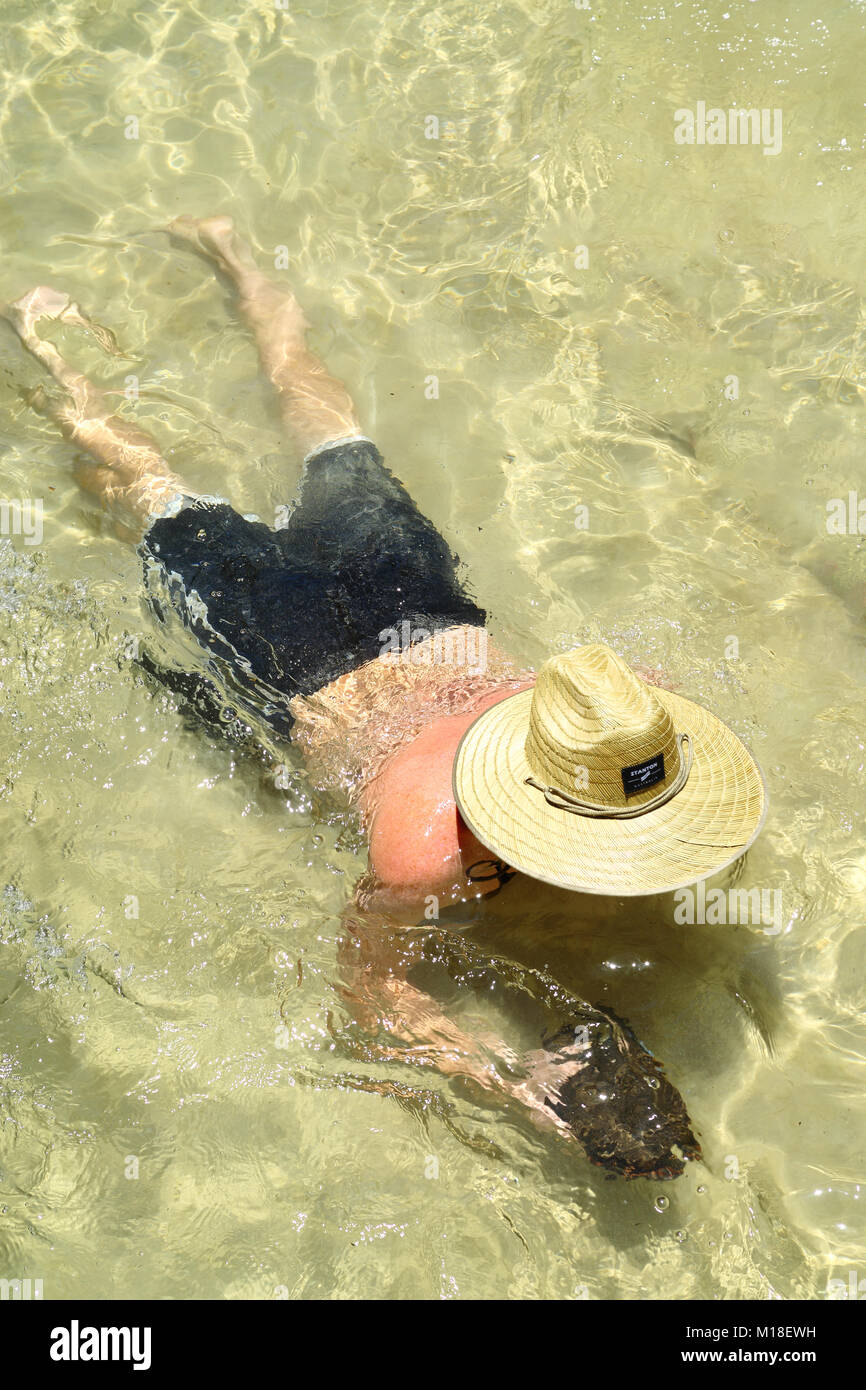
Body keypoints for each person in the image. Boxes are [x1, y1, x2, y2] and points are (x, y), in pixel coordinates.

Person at [2, 217, 767, 1179]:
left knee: (328, 428)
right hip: (288, 649)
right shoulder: (420, 845)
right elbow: (365, 992)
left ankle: (236, 255)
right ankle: (51, 345)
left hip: (417, 603)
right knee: (142, 485)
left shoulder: (625, 710)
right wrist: (504, 1079)